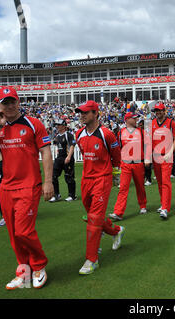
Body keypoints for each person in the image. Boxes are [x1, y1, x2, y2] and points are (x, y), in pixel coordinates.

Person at [0, 86, 53, 290]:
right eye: (5, 102)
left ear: (18, 102)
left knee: (23, 231)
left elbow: (46, 153)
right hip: (7, 187)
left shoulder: (33, 123)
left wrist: (48, 182)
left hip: (29, 185)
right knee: (13, 234)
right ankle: (24, 271)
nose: (9, 105)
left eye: (12, 101)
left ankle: (39, 266)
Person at [75, 100, 125, 275]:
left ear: (96, 114)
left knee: (94, 218)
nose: (82, 115)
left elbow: (116, 155)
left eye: (85, 112)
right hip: (86, 180)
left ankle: (92, 259)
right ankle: (116, 231)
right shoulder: (79, 134)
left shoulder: (107, 134)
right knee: (92, 216)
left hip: (102, 179)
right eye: (80, 112)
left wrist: (115, 175)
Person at [109, 112, 147, 221]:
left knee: (140, 186)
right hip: (125, 164)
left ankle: (143, 205)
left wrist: (148, 159)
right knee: (123, 188)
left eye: (136, 118)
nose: (136, 120)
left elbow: (147, 146)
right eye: (134, 118)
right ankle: (118, 212)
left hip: (138, 163)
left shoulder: (141, 132)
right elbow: (117, 148)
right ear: (127, 119)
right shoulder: (120, 133)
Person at [146, 102, 175, 220]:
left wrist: (170, 152)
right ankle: (163, 203)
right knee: (159, 182)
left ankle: (165, 208)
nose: (158, 112)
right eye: (156, 111)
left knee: (165, 182)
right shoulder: (152, 123)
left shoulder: (170, 123)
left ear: (164, 111)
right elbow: (148, 141)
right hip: (155, 156)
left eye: (160, 110)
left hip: (166, 156)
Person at [49, 119, 77, 202]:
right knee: (53, 176)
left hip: (67, 158)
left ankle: (72, 195)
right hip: (59, 158)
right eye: (56, 125)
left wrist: (68, 157)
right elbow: (57, 146)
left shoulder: (69, 135)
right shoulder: (57, 136)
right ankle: (56, 195)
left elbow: (72, 146)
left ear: (64, 126)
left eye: (59, 125)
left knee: (69, 177)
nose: (57, 126)